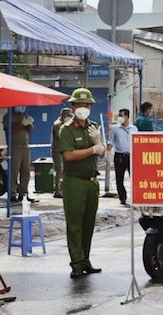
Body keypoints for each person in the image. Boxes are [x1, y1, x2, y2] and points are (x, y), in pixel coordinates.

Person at [59, 87, 105, 279]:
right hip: (74, 182)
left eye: (87, 105)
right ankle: (76, 263)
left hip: (92, 182)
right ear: (73, 106)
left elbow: (102, 151)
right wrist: (93, 149)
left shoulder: (93, 127)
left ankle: (85, 259)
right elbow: (69, 155)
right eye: (80, 104)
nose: (83, 108)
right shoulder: (67, 129)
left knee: (88, 224)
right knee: (75, 224)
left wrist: (98, 143)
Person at [3, 106, 35, 202]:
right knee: (14, 171)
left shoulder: (24, 115)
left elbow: (30, 129)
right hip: (14, 147)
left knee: (26, 171)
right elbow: (10, 130)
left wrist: (29, 124)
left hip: (25, 147)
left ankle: (23, 192)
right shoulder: (8, 116)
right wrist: (22, 124)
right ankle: (12, 193)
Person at [107, 108, 138, 205]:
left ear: (127, 117)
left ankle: (135, 197)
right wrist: (107, 154)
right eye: (119, 115)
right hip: (119, 155)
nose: (120, 117)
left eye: (122, 115)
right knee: (119, 178)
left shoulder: (134, 129)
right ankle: (122, 197)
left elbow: (137, 142)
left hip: (131, 156)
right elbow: (110, 141)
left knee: (134, 178)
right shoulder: (115, 129)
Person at [51, 107, 73, 198]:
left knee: (65, 171)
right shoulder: (58, 124)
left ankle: (63, 189)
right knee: (59, 170)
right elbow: (61, 135)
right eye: (69, 116)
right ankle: (57, 190)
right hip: (57, 150)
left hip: (64, 150)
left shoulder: (66, 124)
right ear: (64, 115)